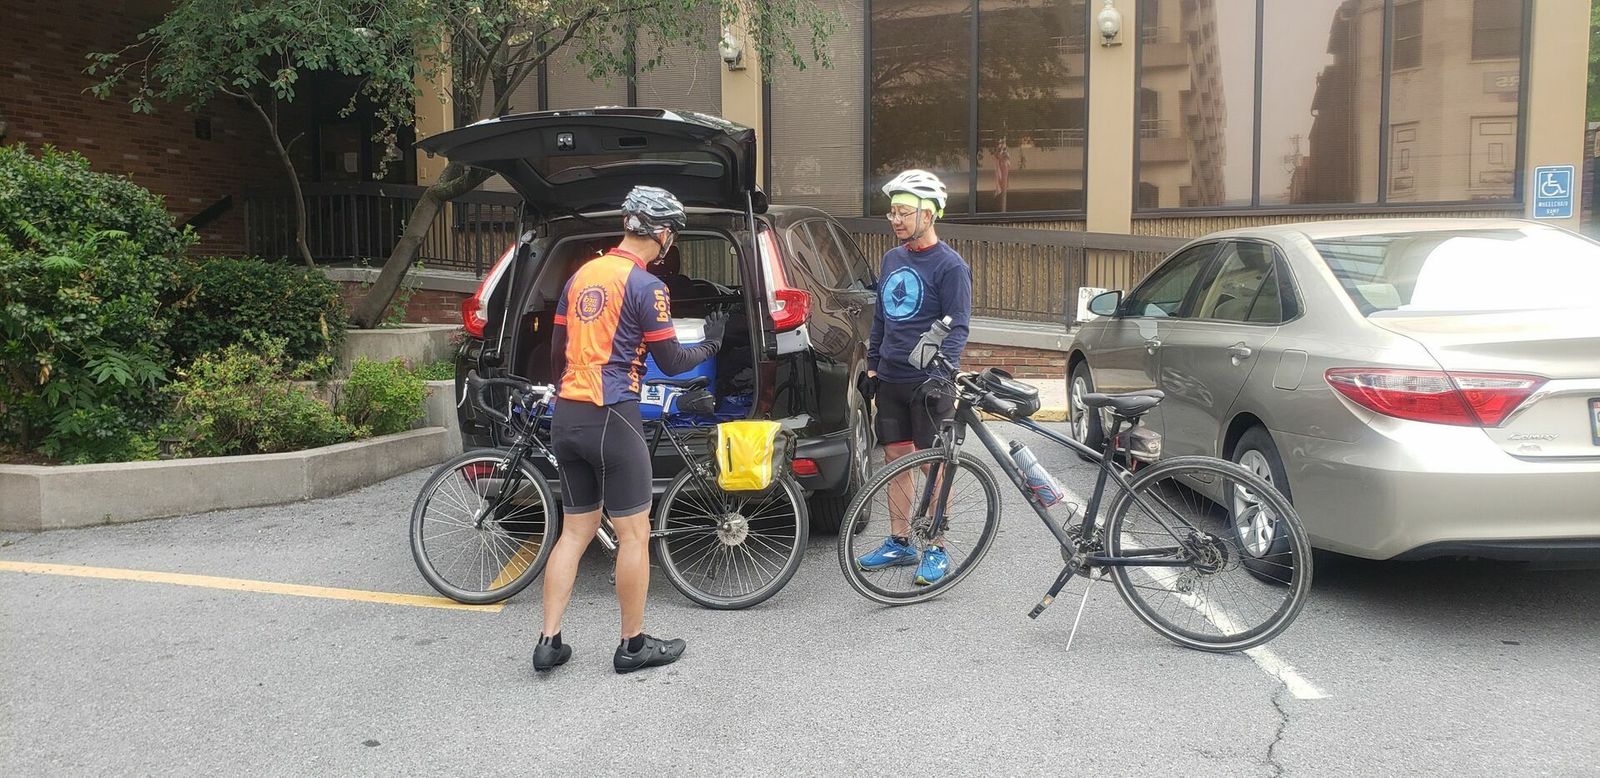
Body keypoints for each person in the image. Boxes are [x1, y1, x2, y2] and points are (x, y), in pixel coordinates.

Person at [533, 185, 727, 674]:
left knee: (574, 531)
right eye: (672, 233)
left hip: (567, 414)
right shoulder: (647, 286)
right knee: (634, 534)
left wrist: (571, 391)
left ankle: (549, 641)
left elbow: (556, 352)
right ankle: (632, 645)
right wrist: (712, 345)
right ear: (661, 234)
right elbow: (672, 360)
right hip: (613, 414)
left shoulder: (581, 275)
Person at [856, 169, 973, 586]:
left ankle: (936, 547)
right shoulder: (892, 258)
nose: (896, 219)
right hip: (891, 377)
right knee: (895, 458)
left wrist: (942, 374)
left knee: (933, 464)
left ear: (929, 213)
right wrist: (873, 365)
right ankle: (900, 541)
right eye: (892, 212)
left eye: (904, 212)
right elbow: (882, 317)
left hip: (929, 382)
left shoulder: (951, 266)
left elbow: (958, 326)